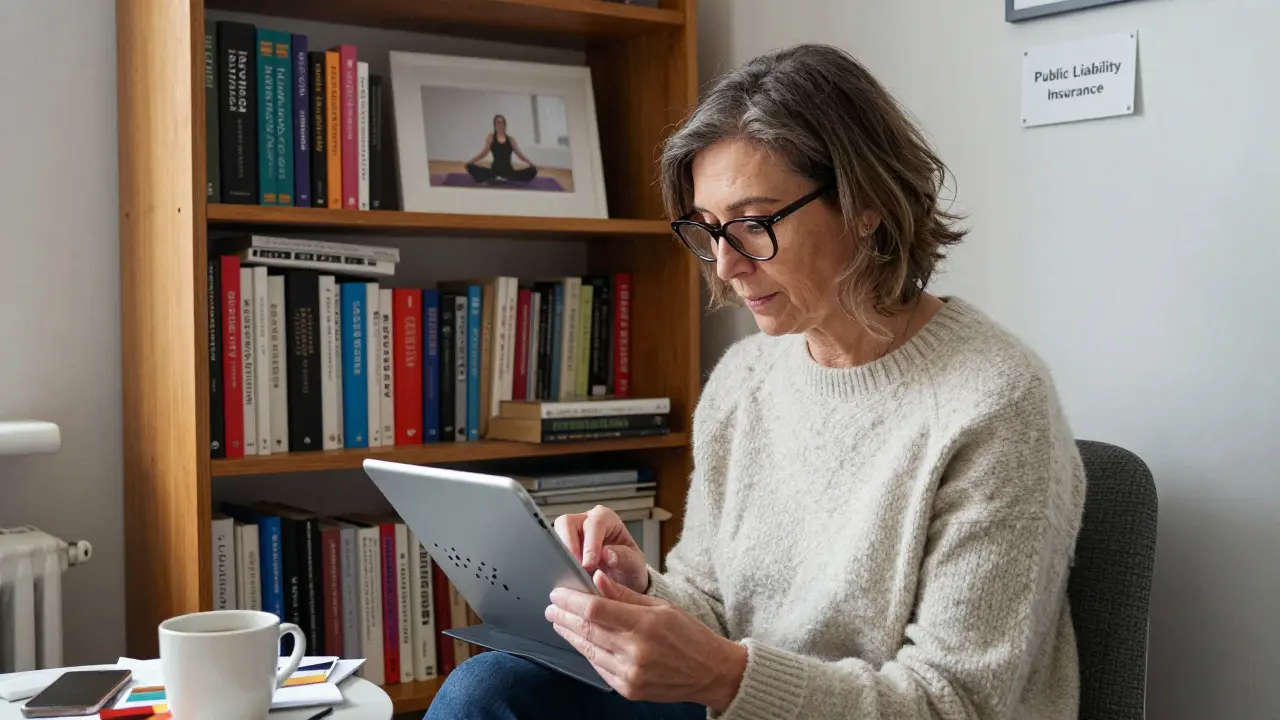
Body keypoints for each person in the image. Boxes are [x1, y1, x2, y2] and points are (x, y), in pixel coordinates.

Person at [427, 43, 1086, 720]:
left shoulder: (996, 404)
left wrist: (725, 676)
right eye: (708, 231)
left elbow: (955, 705)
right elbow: (713, 604)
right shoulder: (746, 377)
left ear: (867, 204)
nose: (725, 267)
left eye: (752, 223)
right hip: (736, 705)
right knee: (492, 689)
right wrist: (637, 587)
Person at [464, 114, 539, 185]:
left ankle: (500, 179)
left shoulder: (510, 139)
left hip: (508, 172)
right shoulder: (491, 137)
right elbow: (484, 153)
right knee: (470, 167)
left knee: (532, 171)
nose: (500, 125)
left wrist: (532, 164)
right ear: (495, 125)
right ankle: (497, 179)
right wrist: (472, 161)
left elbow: (519, 154)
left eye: (502, 122)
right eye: (498, 122)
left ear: (505, 125)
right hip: (494, 171)